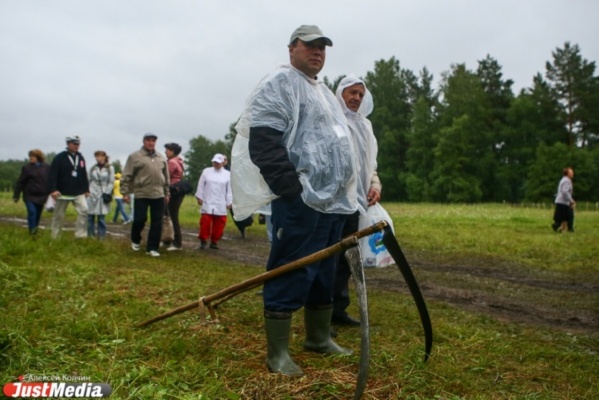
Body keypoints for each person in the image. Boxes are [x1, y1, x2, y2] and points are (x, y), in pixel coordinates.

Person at [231, 25, 358, 376]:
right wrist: (291, 188)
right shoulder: (280, 83)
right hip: (302, 199)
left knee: (325, 270)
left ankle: (318, 338)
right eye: (310, 46)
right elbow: (264, 142)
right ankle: (278, 354)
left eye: (322, 48)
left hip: (333, 202)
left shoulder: (324, 92)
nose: (317, 52)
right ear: (292, 49)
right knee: (292, 267)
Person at [332, 75, 382, 327]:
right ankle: (320, 313)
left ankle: (338, 310)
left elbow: (369, 164)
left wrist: (374, 185)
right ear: (340, 93)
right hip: (331, 203)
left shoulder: (365, 126)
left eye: (361, 95)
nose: (356, 98)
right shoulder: (331, 121)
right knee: (327, 257)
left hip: (356, 204)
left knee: (348, 257)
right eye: (352, 92)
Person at [121, 133, 170, 257]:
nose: (151, 143)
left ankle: (152, 248)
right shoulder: (135, 157)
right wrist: (125, 192)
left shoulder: (161, 157)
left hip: (158, 193)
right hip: (142, 193)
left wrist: (167, 192)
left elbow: (166, 176)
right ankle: (136, 238)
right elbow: (126, 175)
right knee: (140, 219)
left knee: (157, 221)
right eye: (148, 140)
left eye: (153, 140)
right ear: (144, 141)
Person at [47, 136, 90, 239]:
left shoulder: (80, 157)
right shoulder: (59, 158)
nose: (76, 146)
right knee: (59, 215)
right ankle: (55, 236)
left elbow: (83, 174)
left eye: (78, 144)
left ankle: (80, 236)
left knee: (84, 210)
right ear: (68, 144)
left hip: (78, 191)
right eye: (74, 144)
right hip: (62, 192)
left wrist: (86, 189)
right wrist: (53, 189)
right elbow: (53, 174)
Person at [195, 153, 232, 250]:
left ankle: (214, 241)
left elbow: (230, 190)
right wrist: (200, 197)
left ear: (223, 163)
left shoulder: (227, 174)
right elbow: (201, 185)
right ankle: (203, 240)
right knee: (205, 222)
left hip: (220, 202)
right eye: (215, 162)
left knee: (220, 223)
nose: (216, 164)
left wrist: (229, 202)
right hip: (208, 200)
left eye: (218, 162)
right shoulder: (206, 171)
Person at [13, 149, 51, 235]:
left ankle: (35, 230)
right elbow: (21, 182)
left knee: (37, 215)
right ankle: (32, 232)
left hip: (41, 196)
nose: (31, 158)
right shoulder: (27, 168)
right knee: (32, 212)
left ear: (38, 157)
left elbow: (50, 180)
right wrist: (16, 195)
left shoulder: (47, 167)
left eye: (33, 156)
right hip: (29, 196)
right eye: (30, 156)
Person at [87, 151, 115, 239]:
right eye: (96, 156)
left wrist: (107, 192)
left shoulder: (109, 168)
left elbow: (111, 181)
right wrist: (88, 191)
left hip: (103, 191)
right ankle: (90, 235)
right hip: (92, 191)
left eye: (99, 156)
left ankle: (101, 236)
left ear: (104, 157)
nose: (97, 158)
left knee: (101, 216)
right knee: (90, 215)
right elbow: (88, 179)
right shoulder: (92, 168)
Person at [164, 142, 185, 251]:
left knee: (172, 216)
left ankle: (177, 242)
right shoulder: (179, 161)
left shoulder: (171, 162)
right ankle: (167, 238)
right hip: (178, 190)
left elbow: (165, 176)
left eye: (168, 150)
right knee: (168, 214)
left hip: (172, 190)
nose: (166, 151)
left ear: (173, 151)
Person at [552, 167, 575, 233]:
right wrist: (571, 200)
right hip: (563, 202)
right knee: (566, 216)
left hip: (561, 201)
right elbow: (565, 191)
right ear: (567, 174)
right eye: (571, 172)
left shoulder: (563, 179)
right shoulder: (567, 181)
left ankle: (562, 229)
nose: (573, 173)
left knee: (565, 217)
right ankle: (558, 226)